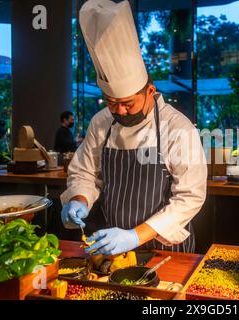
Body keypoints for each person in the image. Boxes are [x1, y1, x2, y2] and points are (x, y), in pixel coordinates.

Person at [60, 0, 207, 255]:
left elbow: (189, 197)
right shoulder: (101, 122)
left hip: (165, 248)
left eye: (127, 103)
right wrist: (78, 200)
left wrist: (134, 236)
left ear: (150, 91)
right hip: (111, 243)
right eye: (111, 103)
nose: (119, 111)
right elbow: (85, 173)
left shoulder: (178, 128)